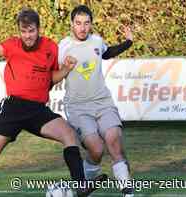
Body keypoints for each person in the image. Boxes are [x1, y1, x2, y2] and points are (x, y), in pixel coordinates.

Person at [0, 8, 106, 197]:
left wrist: (66, 69)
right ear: (19, 31)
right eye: (24, 31)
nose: (28, 36)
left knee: (69, 135)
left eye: (31, 31)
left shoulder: (50, 47)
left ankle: (81, 186)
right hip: (13, 109)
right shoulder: (12, 45)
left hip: (38, 110)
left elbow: (51, 78)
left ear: (38, 29)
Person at [56, 5, 134, 197]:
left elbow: (107, 53)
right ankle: (85, 185)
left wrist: (128, 42)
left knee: (114, 140)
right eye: (78, 23)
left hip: (102, 102)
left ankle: (128, 192)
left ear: (91, 24)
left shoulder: (97, 41)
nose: (82, 28)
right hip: (78, 108)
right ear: (72, 24)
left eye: (86, 23)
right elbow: (52, 70)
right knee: (96, 149)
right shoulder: (63, 47)